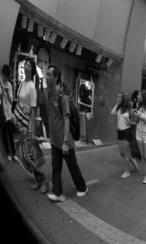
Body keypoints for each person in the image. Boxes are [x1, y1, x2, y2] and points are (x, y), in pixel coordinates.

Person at [45, 65, 88, 202]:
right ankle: (58, 194)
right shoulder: (49, 94)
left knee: (72, 166)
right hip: (54, 139)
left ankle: (82, 188)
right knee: (56, 166)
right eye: (46, 75)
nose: (47, 77)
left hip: (64, 140)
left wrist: (64, 142)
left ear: (56, 78)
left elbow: (66, 119)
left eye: (49, 75)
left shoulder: (62, 97)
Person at [11, 59, 50, 193]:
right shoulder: (22, 83)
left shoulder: (32, 88)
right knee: (24, 156)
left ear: (32, 69)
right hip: (20, 125)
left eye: (29, 65)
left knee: (29, 156)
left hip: (26, 125)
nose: (26, 67)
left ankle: (43, 180)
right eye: (25, 65)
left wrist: (31, 131)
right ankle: (38, 179)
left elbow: (33, 112)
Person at [0, 64, 18, 163]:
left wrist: (7, 93)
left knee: (10, 133)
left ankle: (14, 154)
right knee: (4, 134)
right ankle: (8, 153)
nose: (6, 78)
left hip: (8, 113)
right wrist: (2, 91)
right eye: (5, 75)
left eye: (8, 76)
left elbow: (11, 101)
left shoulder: (9, 84)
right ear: (3, 74)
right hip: (1, 113)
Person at [111, 92, 139, 178]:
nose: (117, 98)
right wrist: (117, 104)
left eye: (119, 97)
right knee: (121, 153)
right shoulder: (119, 108)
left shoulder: (129, 109)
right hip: (120, 132)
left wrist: (130, 122)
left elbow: (135, 122)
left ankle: (127, 171)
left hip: (127, 131)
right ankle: (133, 160)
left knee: (125, 153)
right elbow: (112, 112)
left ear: (123, 99)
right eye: (117, 97)